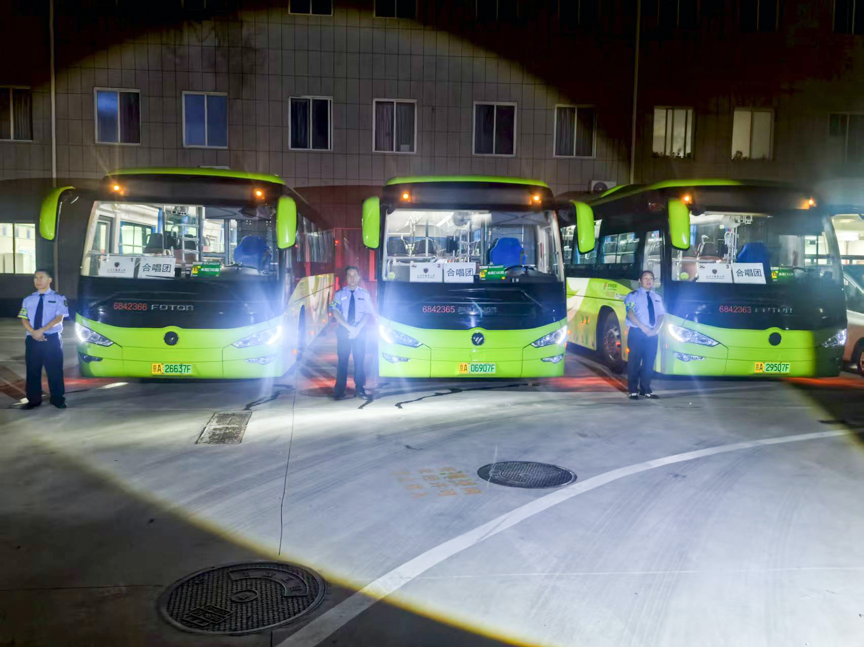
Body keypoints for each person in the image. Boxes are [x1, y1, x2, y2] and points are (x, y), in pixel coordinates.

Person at [18, 269, 69, 409]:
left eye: (41, 277)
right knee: (32, 371)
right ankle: (33, 400)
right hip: (32, 339)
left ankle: (57, 399)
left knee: (54, 370)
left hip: (51, 339)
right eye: (35, 278)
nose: (38, 280)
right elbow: (24, 318)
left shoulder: (59, 298)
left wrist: (42, 330)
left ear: (50, 280)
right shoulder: (28, 299)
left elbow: (59, 318)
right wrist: (33, 332)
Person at [330, 266, 375, 400]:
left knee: (359, 360)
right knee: (342, 360)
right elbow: (335, 311)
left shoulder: (364, 294)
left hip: (360, 330)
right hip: (344, 330)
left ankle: (360, 389)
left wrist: (358, 328)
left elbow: (367, 313)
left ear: (359, 278)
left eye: (355, 275)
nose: (352, 278)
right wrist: (349, 328)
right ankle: (339, 390)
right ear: (346, 278)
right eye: (349, 275)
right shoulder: (339, 294)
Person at [624, 270, 665, 400]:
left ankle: (645, 389)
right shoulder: (633, 295)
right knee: (634, 363)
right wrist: (644, 328)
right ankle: (633, 390)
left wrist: (656, 329)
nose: (648, 281)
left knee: (649, 363)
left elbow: (661, 315)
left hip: (653, 334)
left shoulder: (657, 297)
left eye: (651, 278)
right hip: (637, 333)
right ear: (640, 281)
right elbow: (630, 313)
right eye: (646, 278)